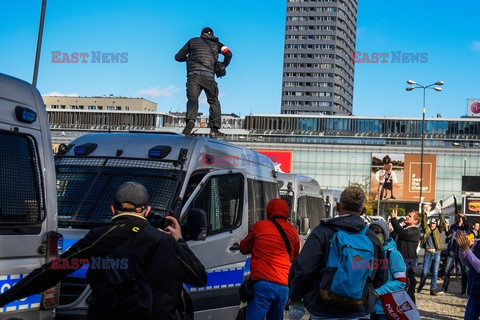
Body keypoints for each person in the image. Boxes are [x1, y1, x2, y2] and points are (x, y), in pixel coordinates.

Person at [0, 181, 207, 320]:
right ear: (147, 211)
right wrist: (179, 241)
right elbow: (199, 277)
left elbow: (53, 271)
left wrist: (8, 297)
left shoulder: (97, 238)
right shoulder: (164, 241)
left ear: (112, 209)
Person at [288, 186, 387, 319]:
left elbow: (304, 269)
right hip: (358, 309)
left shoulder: (322, 232)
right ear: (363, 210)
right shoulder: (372, 238)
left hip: (323, 307)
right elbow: (381, 276)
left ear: (337, 206)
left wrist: (294, 295)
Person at [239, 198, 300, 320]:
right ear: (286, 213)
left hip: (262, 284)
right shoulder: (293, 231)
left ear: (268, 211)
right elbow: (294, 257)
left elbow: (243, 248)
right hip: (283, 286)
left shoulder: (259, 227)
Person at [175, 27, 233, 138]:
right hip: (209, 76)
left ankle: (190, 122)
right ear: (212, 35)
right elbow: (229, 53)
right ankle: (214, 130)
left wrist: (188, 59)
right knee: (214, 101)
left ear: (201, 34)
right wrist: (223, 65)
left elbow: (178, 57)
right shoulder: (218, 45)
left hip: (194, 75)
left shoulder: (192, 41)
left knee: (193, 100)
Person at [369, 220, 407, 320]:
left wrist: (378, 292)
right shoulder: (368, 253)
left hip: (385, 309)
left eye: (377, 232)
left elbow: (401, 281)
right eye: (371, 231)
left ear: (385, 234)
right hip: (369, 308)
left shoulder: (393, 254)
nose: (373, 234)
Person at [390, 209, 421, 304]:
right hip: (398, 260)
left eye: (410, 216)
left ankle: (411, 309)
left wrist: (394, 220)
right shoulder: (403, 229)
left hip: (408, 261)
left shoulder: (415, 231)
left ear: (415, 221)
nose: (407, 217)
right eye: (407, 215)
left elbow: (403, 234)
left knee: (409, 283)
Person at [417, 211, 446, 296]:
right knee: (425, 271)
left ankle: (432, 289)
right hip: (428, 253)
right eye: (431, 223)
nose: (432, 224)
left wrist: (441, 213)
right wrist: (425, 214)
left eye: (434, 223)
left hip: (436, 253)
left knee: (435, 272)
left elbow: (443, 223)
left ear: (436, 224)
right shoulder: (427, 229)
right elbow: (423, 223)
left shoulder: (439, 230)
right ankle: (421, 285)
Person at [442, 213, 469, 295]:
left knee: (464, 271)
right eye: (458, 217)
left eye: (461, 217)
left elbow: (467, 227)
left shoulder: (465, 227)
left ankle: (463, 290)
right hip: (452, 251)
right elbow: (448, 234)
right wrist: (446, 227)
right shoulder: (454, 226)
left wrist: (463, 218)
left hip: (462, 252)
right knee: (447, 269)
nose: (459, 218)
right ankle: (444, 288)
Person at [458, 231, 480, 319]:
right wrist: (462, 248)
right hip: (474, 292)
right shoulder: (477, 244)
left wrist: (467, 250)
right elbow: (465, 262)